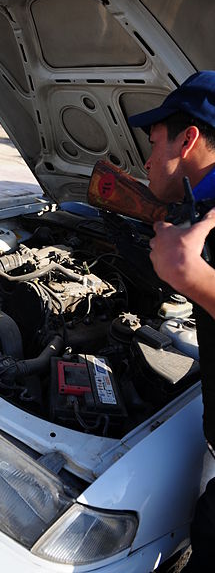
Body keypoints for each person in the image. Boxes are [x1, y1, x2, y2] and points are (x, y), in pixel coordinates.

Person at [129, 70, 215, 572]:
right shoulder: (199, 208)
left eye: (154, 140)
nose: (145, 157)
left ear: (189, 138)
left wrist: (194, 277)